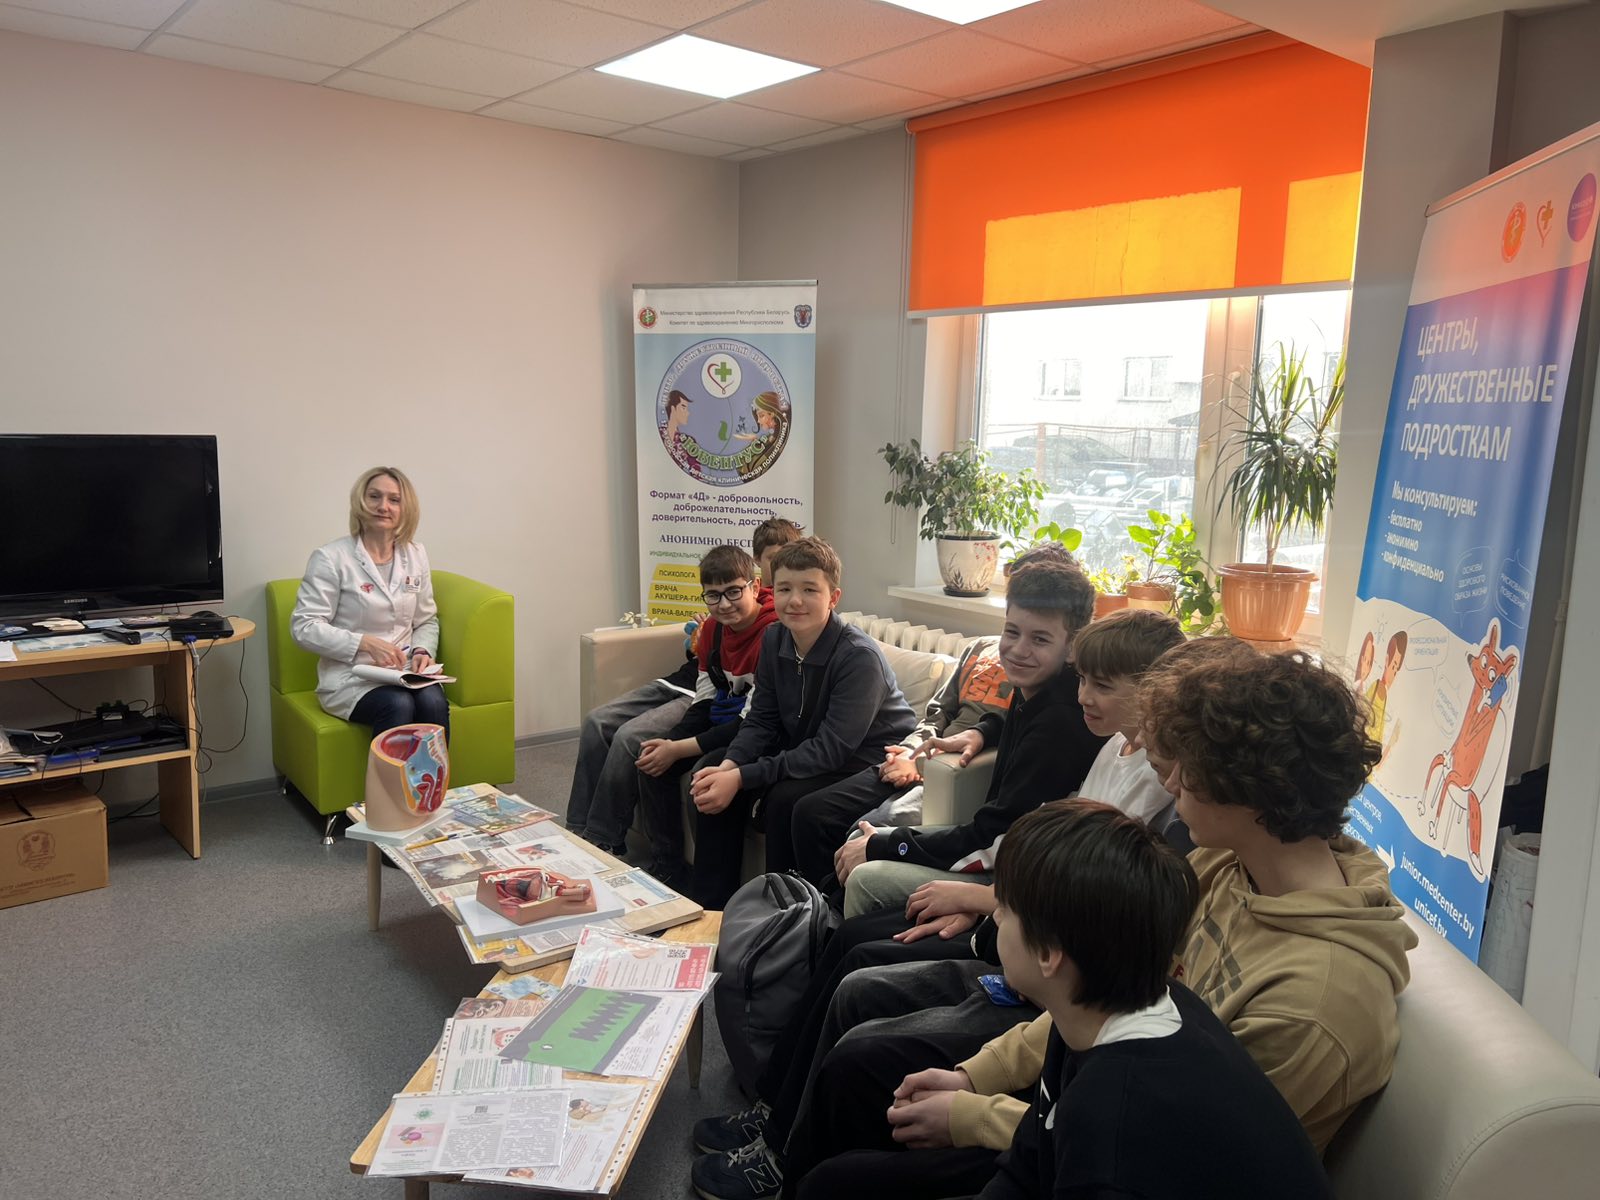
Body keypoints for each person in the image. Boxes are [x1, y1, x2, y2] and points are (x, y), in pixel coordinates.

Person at [779, 646, 1415, 1200]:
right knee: (860, 1064)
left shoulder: (1314, 1008)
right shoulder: (1227, 864)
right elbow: (1103, 1002)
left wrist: (974, 1113)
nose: (1169, 780)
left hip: (1121, 1149)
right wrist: (979, 1073)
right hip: (1086, 1096)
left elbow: (1166, 1153)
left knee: (849, 1146)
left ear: (1249, 785)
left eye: (1186, 766)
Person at [800, 801, 1332, 1200]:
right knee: (833, 1182)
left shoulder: (1114, 1121)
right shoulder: (1097, 1013)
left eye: (1006, 910)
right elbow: (1031, 1158)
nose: (995, 917)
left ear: (1050, 955)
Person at [878, 606, 1187, 950]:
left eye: (1101, 685)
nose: (1083, 696)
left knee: (867, 954)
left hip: (1052, 927)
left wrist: (981, 901)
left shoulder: (1154, 774)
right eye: (1082, 679)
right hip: (1020, 895)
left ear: (1152, 691)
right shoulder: (1114, 741)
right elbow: (1062, 841)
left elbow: (1087, 881)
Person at [832, 559, 1105, 919]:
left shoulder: (1060, 724)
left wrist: (885, 845)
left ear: (1072, 647)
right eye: (1012, 632)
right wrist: (983, 730)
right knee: (859, 838)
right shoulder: (1042, 684)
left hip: (1009, 873)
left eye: (1039, 639)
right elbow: (1016, 718)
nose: (1018, 649)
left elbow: (993, 838)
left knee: (866, 864)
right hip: (996, 843)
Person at [686, 537, 917, 908]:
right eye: (784, 589)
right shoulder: (775, 638)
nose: (795, 600)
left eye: (809, 589)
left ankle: (788, 914)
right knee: (710, 770)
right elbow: (762, 719)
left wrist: (742, 777)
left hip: (868, 757)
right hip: (810, 745)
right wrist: (730, 767)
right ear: (770, 591)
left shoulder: (858, 657)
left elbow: (831, 750)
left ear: (833, 597)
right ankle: (713, 906)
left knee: (788, 801)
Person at [628, 544, 779, 890]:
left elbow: (752, 723)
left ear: (755, 586)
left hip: (756, 733)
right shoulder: (712, 630)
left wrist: (679, 749)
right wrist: (670, 743)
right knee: (653, 760)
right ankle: (669, 867)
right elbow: (705, 699)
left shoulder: (772, 635)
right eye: (713, 595)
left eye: (733, 592)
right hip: (727, 723)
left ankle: (713, 895)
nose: (724, 604)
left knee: (705, 775)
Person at [291, 466, 448, 738]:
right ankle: (385, 770)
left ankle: (435, 769)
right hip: (352, 676)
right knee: (398, 704)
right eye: (374, 496)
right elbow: (304, 627)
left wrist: (422, 651)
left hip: (404, 670)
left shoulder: (416, 554)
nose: (383, 506)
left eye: (394, 500)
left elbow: (425, 620)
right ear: (361, 502)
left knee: (432, 701)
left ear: (405, 508)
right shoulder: (331, 558)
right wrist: (363, 643)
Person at [752, 518, 806, 583]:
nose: (783, 567)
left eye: (789, 559)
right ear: (757, 559)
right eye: (774, 559)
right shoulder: (748, 589)